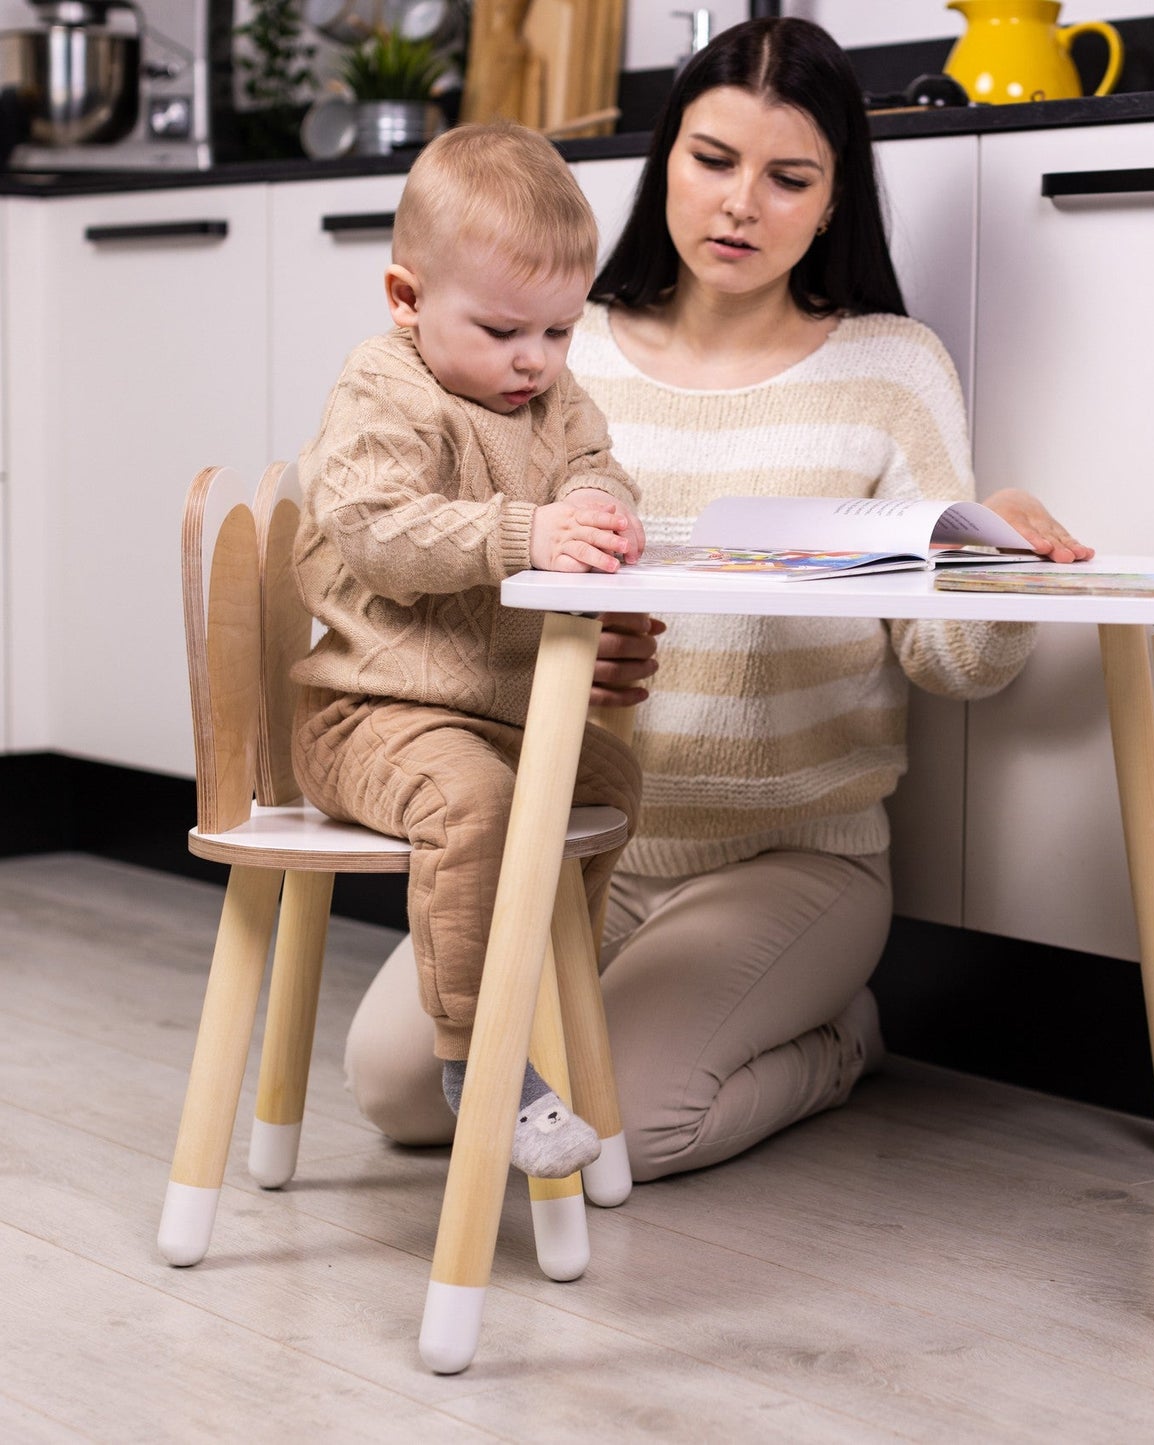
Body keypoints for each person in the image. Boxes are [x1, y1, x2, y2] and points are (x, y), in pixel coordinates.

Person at [341, 17, 1093, 1178]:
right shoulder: (554, 349)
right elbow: (468, 570)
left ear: (834, 197)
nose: (740, 204)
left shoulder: (890, 367)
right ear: (663, 165)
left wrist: (993, 554)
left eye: (788, 176)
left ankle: (839, 1040)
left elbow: (955, 663)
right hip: (578, 834)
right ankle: (679, 1025)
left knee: (613, 1131)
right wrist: (544, 652)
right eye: (711, 161)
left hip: (790, 858)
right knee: (400, 1089)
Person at [289, 122, 646, 1178]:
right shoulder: (383, 389)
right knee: (475, 804)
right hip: (371, 713)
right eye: (501, 330)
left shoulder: (545, 395)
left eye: (559, 332)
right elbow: (373, 526)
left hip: (496, 711)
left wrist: (592, 505)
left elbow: (601, 464)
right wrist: (522, 533)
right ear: (406, 299)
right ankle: (474, 1060)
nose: (533, 360)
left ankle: (537, 984)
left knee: (612, 777)